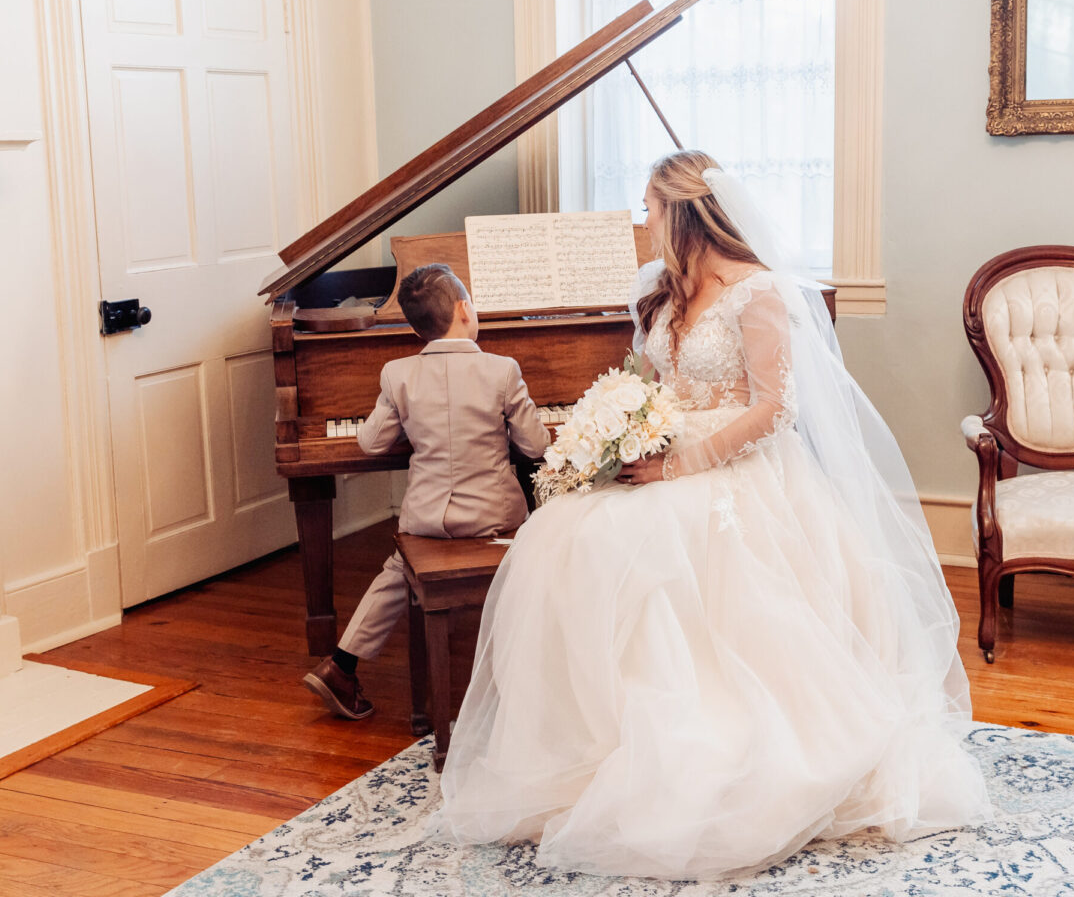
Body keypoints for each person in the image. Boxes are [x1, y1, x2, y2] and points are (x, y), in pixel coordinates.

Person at [436, 151, 991, 879]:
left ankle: (701, 746)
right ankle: (590, 747)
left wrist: (678, 463)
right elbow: (643, 381)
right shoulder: (659, 289)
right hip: (661, 452)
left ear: (683, 212)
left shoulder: (756, 292)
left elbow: (774, 407)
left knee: (647, 546)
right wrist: (612, 435)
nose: (643, 220)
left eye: (649, 208)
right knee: (564, 538)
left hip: (735, 470)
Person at [301, 263, 551, 720]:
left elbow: (371, 442)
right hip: (494, 519)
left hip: (427, 519)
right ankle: (530, 677)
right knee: (543, 548)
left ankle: (342, 664)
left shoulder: (398, 374)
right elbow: (535, 445)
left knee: (399, 568)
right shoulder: (502, 370)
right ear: (464, 310)